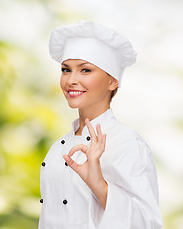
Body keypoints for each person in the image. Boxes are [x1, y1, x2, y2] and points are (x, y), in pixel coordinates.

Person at [38, 21, 162, 229]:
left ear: (113, 81)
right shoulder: (59, 146)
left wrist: (99, 186)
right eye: (66, 70)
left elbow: (147, 223)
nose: (71, 80)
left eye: (85, 70)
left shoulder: (126, 143)